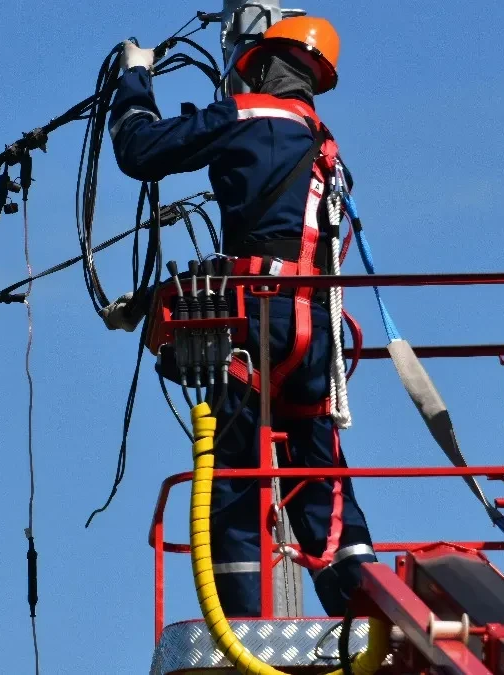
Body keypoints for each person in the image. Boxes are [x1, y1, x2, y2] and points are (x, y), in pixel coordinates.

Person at [99, 17, 378, 618]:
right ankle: (365, 606)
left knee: (236, 479)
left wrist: (135, 78)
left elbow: (139, 150)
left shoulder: (246, 116)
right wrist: (150, 302)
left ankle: (246, 625)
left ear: (261, 65)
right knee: (321, 477)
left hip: (255, 322)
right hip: (314, 331)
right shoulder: (325, 147)